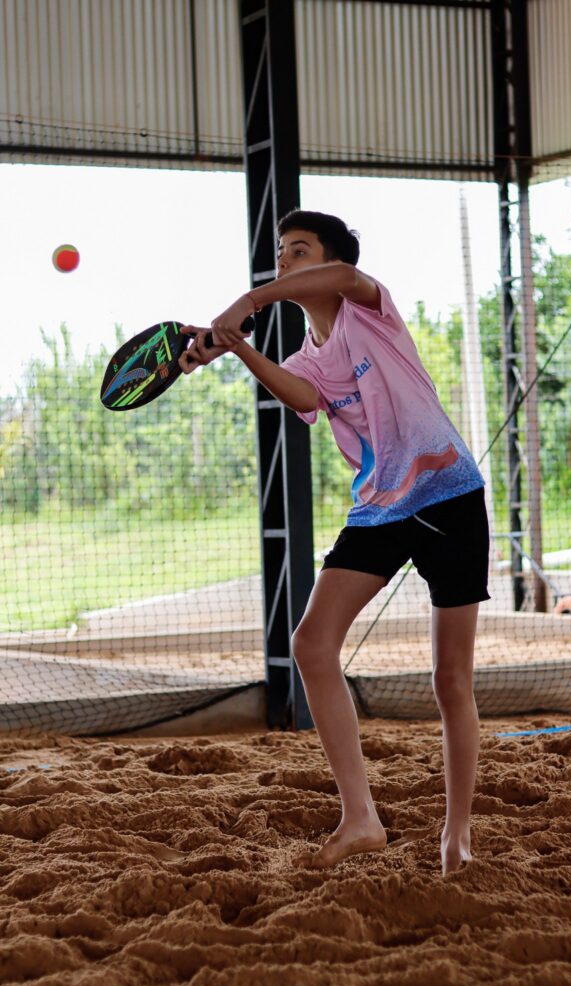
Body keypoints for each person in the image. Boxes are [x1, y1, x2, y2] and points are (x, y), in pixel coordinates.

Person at [179, 210, 490, 877]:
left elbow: (345, 277)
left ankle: (456, 834)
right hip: (379, 507)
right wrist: (234, 347)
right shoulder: (306, 357)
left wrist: (249, 302)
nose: (285, 261)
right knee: (312, 645)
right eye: (280, 252)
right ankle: (361, 818)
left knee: (450, 680)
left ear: (329, 261)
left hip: (449, 494)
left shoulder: (369, 307)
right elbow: (301, 395)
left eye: (299, 250)